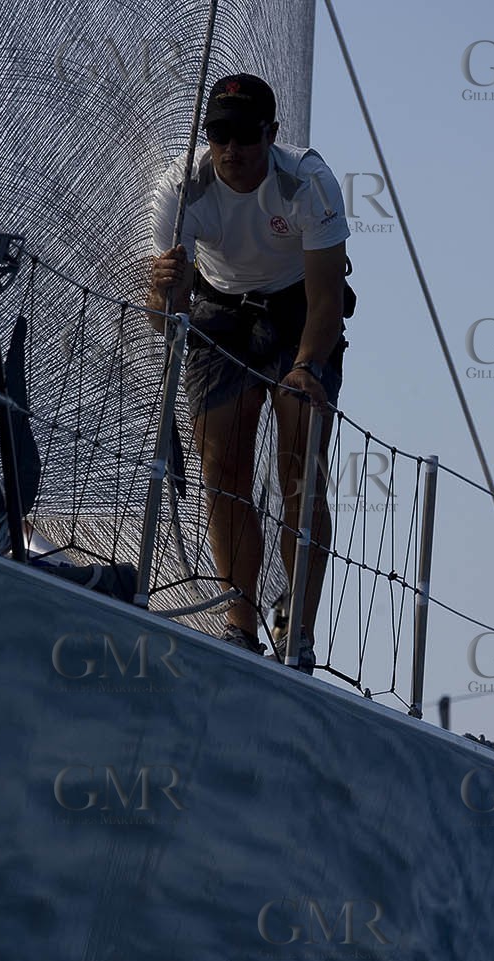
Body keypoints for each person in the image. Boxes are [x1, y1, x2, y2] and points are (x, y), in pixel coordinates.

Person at [147, 73, 351, 670]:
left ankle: (299, 631)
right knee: (223, 465)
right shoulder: (181, 189)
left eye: (244, 135)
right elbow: (167, 323)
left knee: (300, 467)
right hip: (219, 310)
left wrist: (308, 369)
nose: (230, 149)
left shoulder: (308, 182)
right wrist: (168, 293)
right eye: (217, 134)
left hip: (299, 314)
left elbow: (327, 302)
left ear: (272, 134)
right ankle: (240, 620)